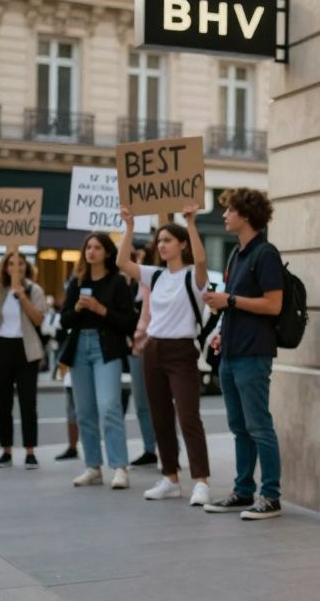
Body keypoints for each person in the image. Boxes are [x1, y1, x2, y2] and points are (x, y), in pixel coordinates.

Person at [117, 205, 213, 505]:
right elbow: (122, 261)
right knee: (160, 416)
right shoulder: (154, 275)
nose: (161, 244)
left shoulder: (192, 278)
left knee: (188, 417)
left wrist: (191, 222)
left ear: (181, 244)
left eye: (168, 240)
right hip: (153, 349)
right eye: (159, 240)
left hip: (182, 350)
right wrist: (129, 227)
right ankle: (170, 477)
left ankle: (201, 481)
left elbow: (201, 259)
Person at [202, 188, 285, 520]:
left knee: (259, 425)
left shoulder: (266, 254)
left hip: (254, 353)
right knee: (238, 426)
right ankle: (243, 490)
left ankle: (271, 495)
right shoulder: (237, 255)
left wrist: (230, 301)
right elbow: (232, 303)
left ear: (246, 215)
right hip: (232, 351)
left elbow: (273, 304)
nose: (224, 215)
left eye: (230, 210)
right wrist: (222, 329)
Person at [60, 232, 137, 489]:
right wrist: (79, 309)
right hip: (79, 347)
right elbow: (64, 321)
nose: (91, 251)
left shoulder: (117, 282)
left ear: (107, 252)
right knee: (84, 411)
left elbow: (128, 322)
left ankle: (119, 467)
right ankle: (93, 466)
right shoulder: (77, 281)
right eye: (88, 247)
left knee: (109, 406)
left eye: (96, 247)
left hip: (107, 348)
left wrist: (99, 308)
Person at [0, 248, 48, 469]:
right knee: (2, 403)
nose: (16, 268)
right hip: (2, 349)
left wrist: (22, 297)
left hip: (26, 350)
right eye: (11, 264)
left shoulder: (33, 289)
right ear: (5, 268)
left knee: (28, 402)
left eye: (20, 264)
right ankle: (6, 450)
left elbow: (38, 319)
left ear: (26, 267)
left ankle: (30, 451)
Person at [126, 243, 159, 468]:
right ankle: (150, 448)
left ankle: (169, 448)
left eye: (141, 256)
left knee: (160, 400)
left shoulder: (153, 281)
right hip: (134, 348)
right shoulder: (125, 284)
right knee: (140, 403)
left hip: (154, 345)